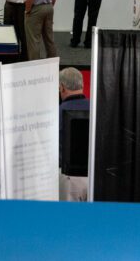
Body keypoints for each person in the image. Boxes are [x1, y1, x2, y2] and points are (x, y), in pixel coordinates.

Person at [59, 67, 90, 202]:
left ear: (62, 87)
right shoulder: (98, 108)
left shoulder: (57, 113)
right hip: (95, 176)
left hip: (69, 179)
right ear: (82, 85)